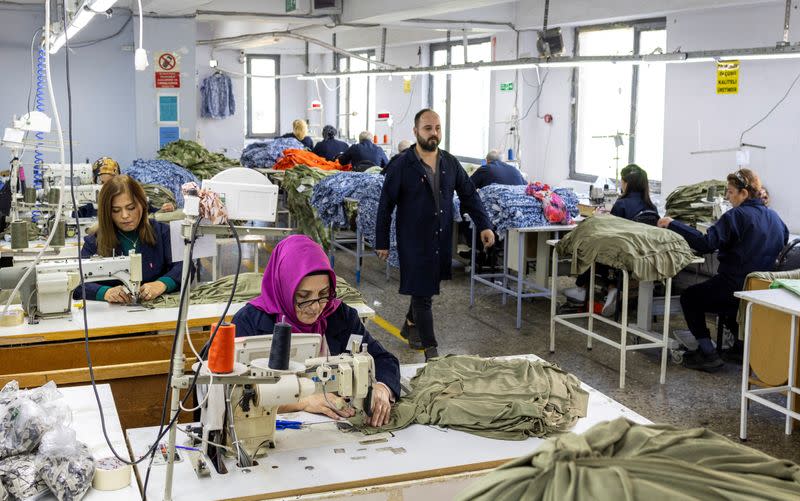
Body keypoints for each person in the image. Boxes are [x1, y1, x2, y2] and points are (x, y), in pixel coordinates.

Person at [232, 235, 400, 426]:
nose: (315, 307)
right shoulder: (249, 323)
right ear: (284, 288)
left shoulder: (340, 316)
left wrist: (382, 388)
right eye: (303, 296)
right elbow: (232, 393)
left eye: (323, 294)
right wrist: (302, 401)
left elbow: (384, 360)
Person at [376, 109, 495, 361]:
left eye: (438, 128)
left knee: (426, 288)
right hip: (412, 240)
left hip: (439, 239)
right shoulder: (401, 165)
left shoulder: (449, 163)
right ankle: (432, 352)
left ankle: (410, 326)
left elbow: (469, 194)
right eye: (428, 128)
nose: (434, 133)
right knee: (422, 295)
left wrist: (484, 225)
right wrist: (382, 241)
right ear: (416, 131)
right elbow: (385, 204)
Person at [657, 168, 789, 371]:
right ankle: (738, 347)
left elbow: (705, 243)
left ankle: (707, 353)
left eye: (730, 192)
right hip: (758, 291)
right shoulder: (776, 219)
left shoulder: (736, 216)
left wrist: (673, 224)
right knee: (729, 302)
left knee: (690, 297)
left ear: (744, 193)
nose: (727, 197)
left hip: (733, 287)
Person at [564, 164, 658, 316]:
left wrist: (600, 218)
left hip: (620, 261)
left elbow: (609, 233)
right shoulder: (651, 207)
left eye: (622, 181)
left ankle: (584, 289)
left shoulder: (621, 204)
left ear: (626, 183)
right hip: (642, 258)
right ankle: (611, 289)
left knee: (590, 248)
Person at [75, 175, 182, 303]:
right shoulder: (94, 242)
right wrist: (105, 292)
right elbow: (77, 282)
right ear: (107, 212)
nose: (125, 216)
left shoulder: (162, 232)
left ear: (142, 205)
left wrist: (162, 284)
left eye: (131, 208)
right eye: (116, 210)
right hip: (111, 317)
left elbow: (185, 266)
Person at [75, 157, 174, 218]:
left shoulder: (131, 198)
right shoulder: (88, 206)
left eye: (110, 183)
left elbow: (149, 211)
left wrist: (164, 209)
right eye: (102, 183)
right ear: (93, 181)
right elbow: (73, 220)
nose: (106, 188)